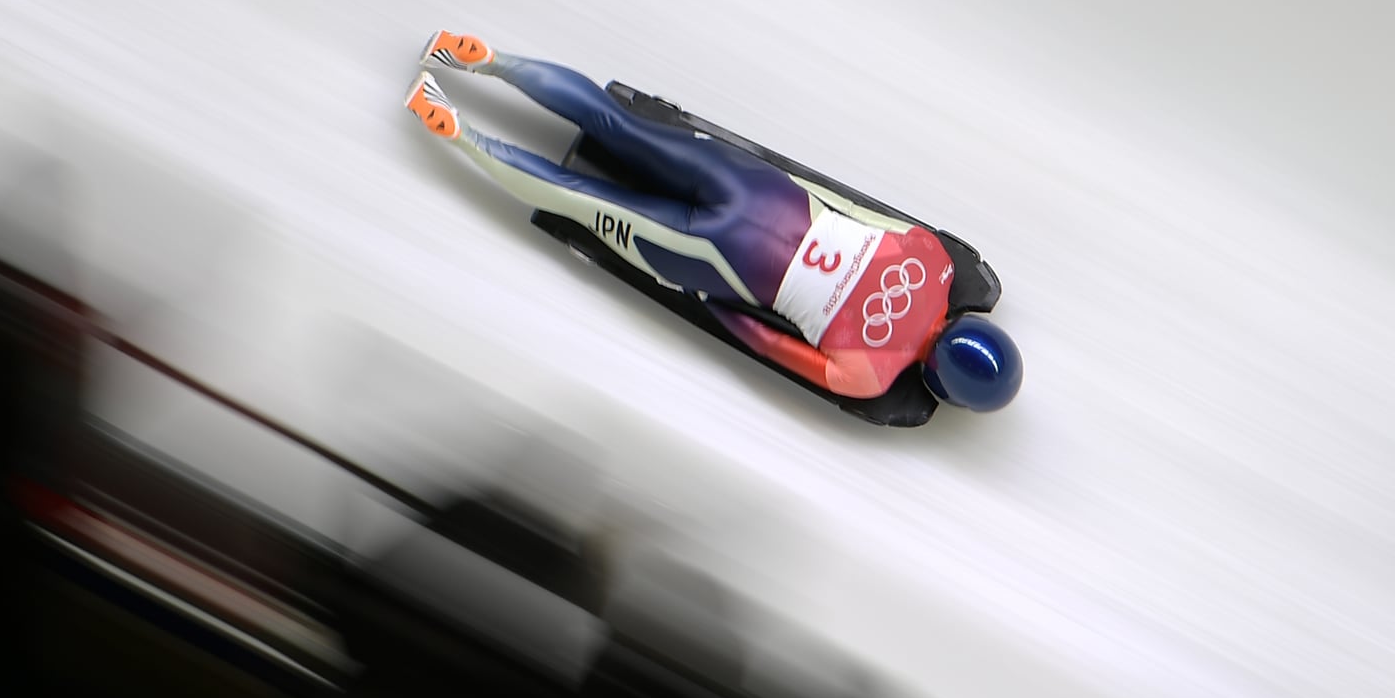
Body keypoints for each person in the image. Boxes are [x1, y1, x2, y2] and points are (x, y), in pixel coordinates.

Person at [404, 32, 1021, 410]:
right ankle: (457, 133)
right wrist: (709, 298)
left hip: (766, 196)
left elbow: (858, 208)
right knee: (583, 202)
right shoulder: (870, 377)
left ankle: (488, 58)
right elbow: (761, 340)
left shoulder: (933, 259)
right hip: (724, 260)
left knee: (617, 126)